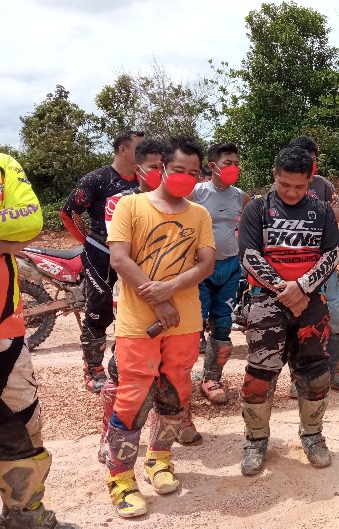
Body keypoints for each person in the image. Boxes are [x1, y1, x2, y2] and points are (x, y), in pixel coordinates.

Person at [105, 136, 215, 518]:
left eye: (193, 172)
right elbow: (120, 259)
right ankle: (121, 478)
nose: (185, 177)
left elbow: (206, 264)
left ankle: (159, 459)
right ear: (162, 168)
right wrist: (159, 298)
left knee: (176, 392)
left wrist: (170, 288)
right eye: (178, 169)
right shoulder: (130, 205)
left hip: (185, 321)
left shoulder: (199, 214)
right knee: (133, 397)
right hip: (138, 321)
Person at [237, 146, 339, 475]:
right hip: (266, 302)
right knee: (259, 375)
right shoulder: (257, 209)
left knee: (315, 374)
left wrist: (303, 286)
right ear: (274, 175)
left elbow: (332, 255)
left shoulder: (321, 210)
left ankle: (313, 436)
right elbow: (249, 255)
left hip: (311, 303)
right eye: (284, 185)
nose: (292, 192)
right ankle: (255, 440)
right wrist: (286, 290)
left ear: (311, 179)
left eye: (300, 186)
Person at [0, 153, 79, 528]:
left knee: (23, 421)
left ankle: (25, 515)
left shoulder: (3, 165)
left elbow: (29, 222)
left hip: (6, 331)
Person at [61, 130, 144, 392]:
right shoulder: (96, 179)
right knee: (99, 310)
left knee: (134, 309)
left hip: (135, 254)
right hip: (100, 253)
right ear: (123, 149)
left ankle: (124, 365)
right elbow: (68, 213)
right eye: (139, 148)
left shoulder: (145, 179)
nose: (144, 153)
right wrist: (89, 240)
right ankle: (93, 370)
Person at [284, 136, 339, 393]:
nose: (311, 163)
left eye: (314, 159)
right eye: (307, 159)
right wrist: (323, 212)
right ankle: (300, 379)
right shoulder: (283, 186)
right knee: (300, 318)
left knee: (336, 314)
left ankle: (337, 372)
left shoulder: (323, 184)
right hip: (297, 263)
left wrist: (310, 212)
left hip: (326, 262)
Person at [193, 142, 250, 405]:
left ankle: (211, 379)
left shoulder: (239, 196)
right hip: (199, 269)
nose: (234, 167)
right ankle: (178, 379)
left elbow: (256, 218)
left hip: (229, 268)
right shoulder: (197, 193)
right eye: (228, 163)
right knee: (193, 326)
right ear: (213, 166)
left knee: (223, 324)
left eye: (236, 163)